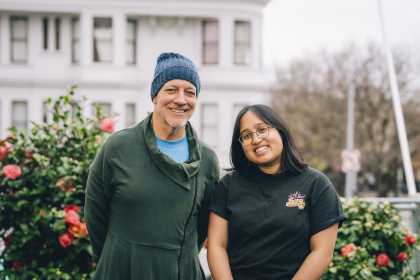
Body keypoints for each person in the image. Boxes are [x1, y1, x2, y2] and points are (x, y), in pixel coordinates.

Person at [85, 52, 219, 280]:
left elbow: (203, 227)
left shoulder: (207, 160)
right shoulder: (118, 147)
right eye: (171, 89)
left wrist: (173, 257)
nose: (181, 99)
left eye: (190, 92)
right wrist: (119, 254)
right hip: (121, 270)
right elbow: (95, 214)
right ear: (155, 96)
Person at [207, 104, 345, 280]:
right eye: (246, 136)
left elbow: (321, 253)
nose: (256, 139)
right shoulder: (228, 185)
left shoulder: (316, 185)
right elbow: (217, 246)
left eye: (262, 129)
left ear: (280, 131)